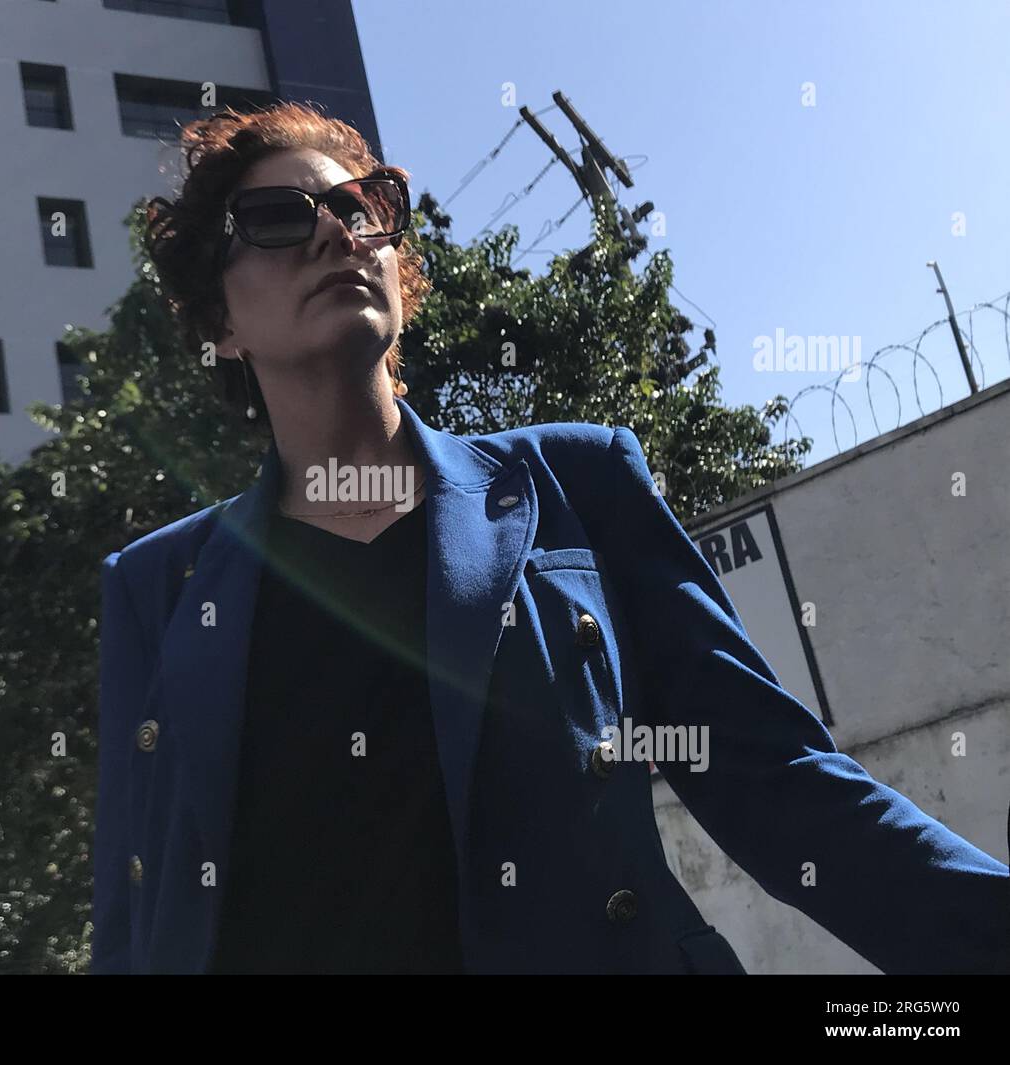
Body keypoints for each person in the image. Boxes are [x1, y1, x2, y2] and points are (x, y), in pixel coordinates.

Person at [90, 102, 1009, 975]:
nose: (337, 232)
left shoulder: (578, 482)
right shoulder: (159, 585)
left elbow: (778, 779)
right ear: (219, 320)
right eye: (279, 220)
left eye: (359, 208)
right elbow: (137, 917)